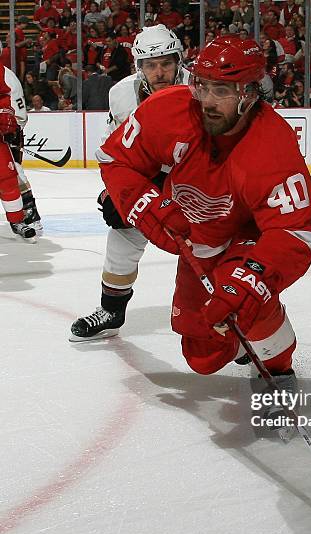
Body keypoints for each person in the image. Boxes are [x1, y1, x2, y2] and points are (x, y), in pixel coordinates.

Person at [94, 35, 311, 400]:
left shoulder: (272, 146)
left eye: (221, 91)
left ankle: (279, 370)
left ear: (249, 93)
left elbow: (297, 233)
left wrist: (251, 280)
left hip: (250, 238)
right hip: (200, 237)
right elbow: (115, 158)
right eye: (202, 86)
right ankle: (244, 328)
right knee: (202, 355)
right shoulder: (169, 109)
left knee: (248, 302)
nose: (207, 102)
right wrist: (141, 202)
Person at [70, 25, 189, 341]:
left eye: (166, 62)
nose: (160, 71)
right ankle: (112, 311)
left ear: (179, 61)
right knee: (122, 238)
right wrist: (115, 193)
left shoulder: (202, 89)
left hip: (196, 182)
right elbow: (115, 149)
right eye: (151, 65)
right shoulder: (121, 94)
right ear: (140, 67)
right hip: (147, 177)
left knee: (210, 247)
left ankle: (236, 319)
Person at [0, 41, 43, 236]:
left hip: (8, 133)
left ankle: (29, 217)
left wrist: (9, 128)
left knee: (14, 173)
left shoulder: (7, 77)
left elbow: (18, 115)